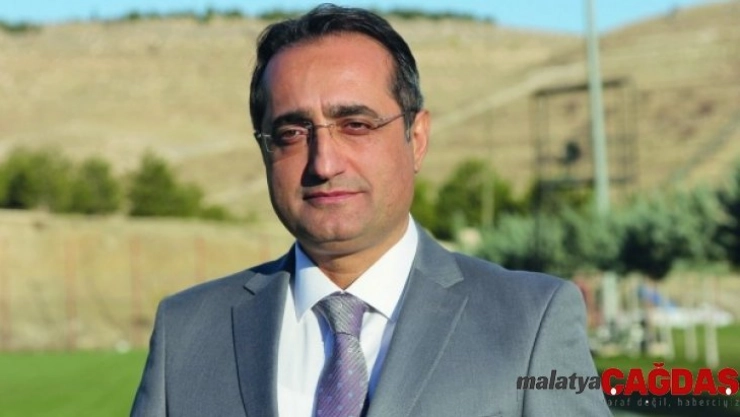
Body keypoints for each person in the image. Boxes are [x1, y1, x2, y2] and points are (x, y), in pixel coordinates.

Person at [131, 4, 612, 417]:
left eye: (356, 125)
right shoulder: (187, 331)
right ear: (265, 151)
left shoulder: (530, 322)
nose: (324, 163)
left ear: (416, 138)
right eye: (292, 133)